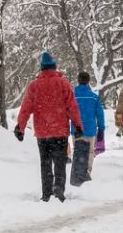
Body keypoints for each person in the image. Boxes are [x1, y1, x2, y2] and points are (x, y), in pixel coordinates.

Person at [14, 51, 83, 202]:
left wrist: (20, 127)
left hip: (42, 132)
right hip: (59, 131)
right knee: (60, 162)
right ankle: (58, 187)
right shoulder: (63, 83)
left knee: (45, 163)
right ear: (54, 66)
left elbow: (26, 107)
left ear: (42, 68)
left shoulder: (34, 86)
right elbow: (72, 106)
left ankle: (46, 193)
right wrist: (78, 125)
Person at [70, 71, 105, 180]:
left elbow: (67, 112)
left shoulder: (72, 96)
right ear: (88, 81)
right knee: (90, 151)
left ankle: (77, 171)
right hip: (90, 129)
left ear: (78, 81)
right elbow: (99, 114)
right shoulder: (94, 97)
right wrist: (101, 128)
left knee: (77, 150)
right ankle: (87, 171)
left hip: (76, 129)